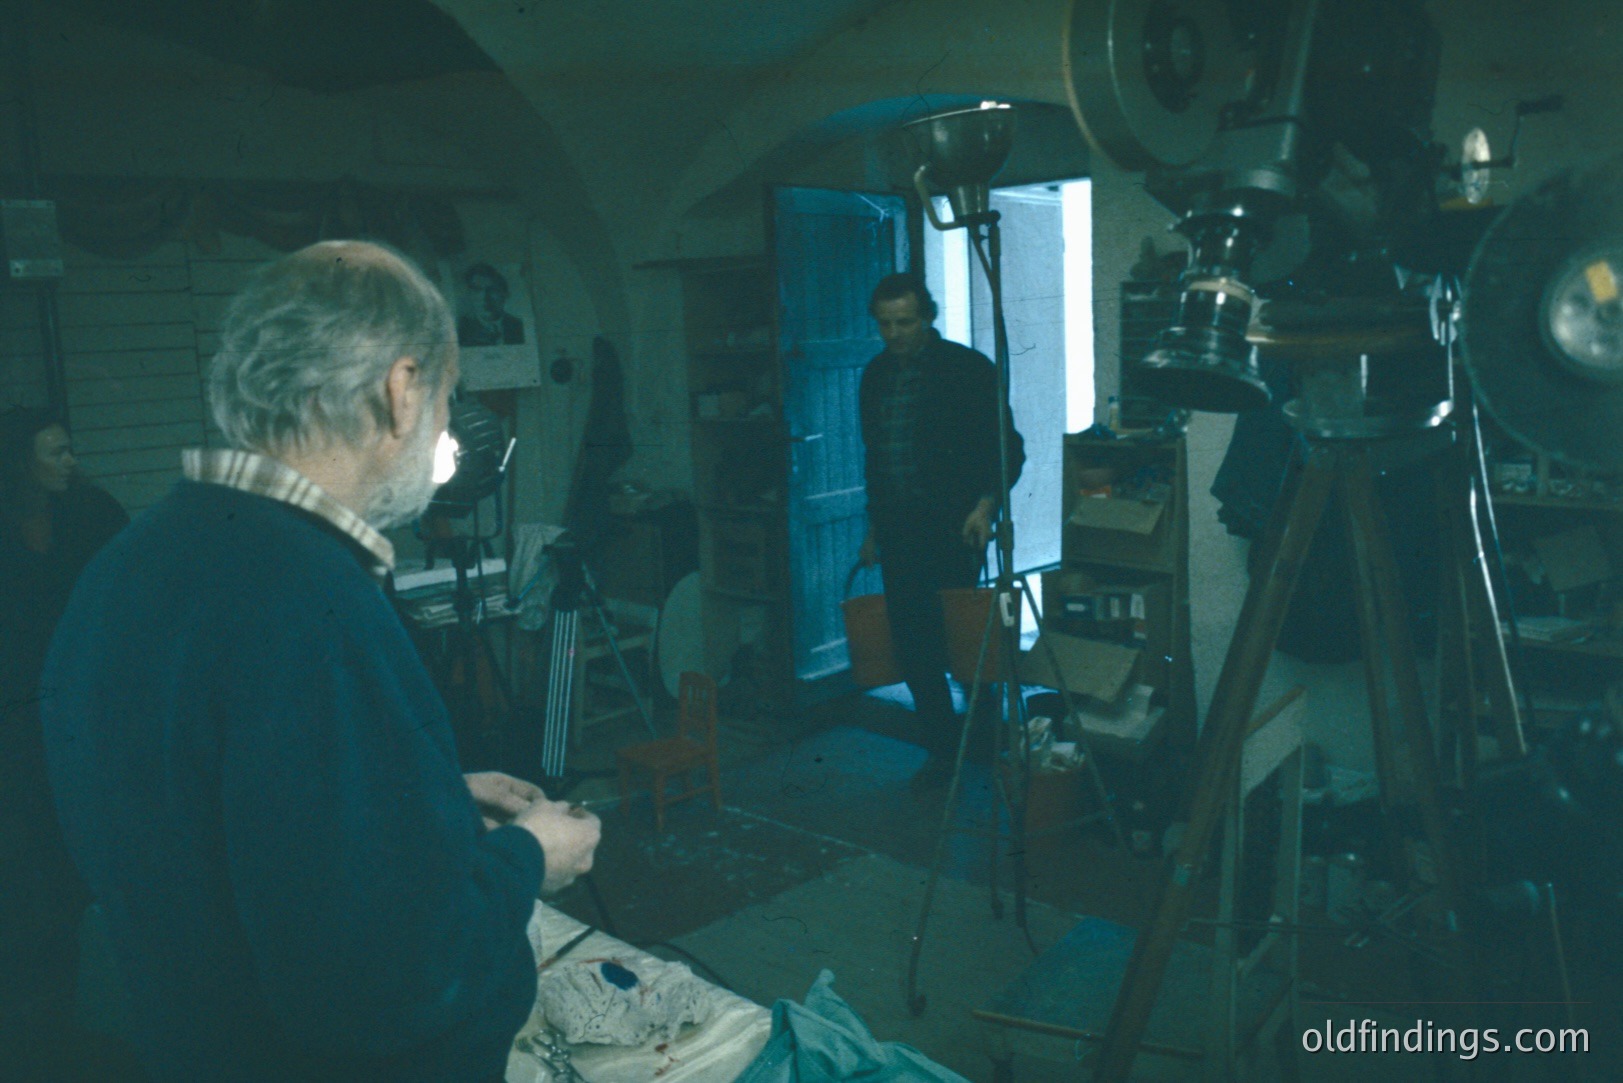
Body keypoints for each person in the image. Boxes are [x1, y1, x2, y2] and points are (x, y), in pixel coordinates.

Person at [40, 240, 599, 1082]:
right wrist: (529, 855)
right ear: (402, 391)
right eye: (448, 399)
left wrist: (425, 798)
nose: (445, 429)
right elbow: (385, 985)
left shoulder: (135, 557)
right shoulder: (312, 600)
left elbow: (213, 805)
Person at [0, 406, 128, 1079]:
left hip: (84, 702)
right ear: (20, 460)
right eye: (56, 450)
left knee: (88, 839)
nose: (69, 460)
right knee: (38, 858)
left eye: (72, 448)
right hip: (18, 718)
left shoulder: (93, 513)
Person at [857, 273, 1024, 788]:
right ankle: (942, 752)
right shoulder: (875, 376)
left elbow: (1008, 448)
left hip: (955, 528)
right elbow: (877, 457)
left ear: (927, 316)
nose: (893, 333)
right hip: (898, 529)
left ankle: (988, 742)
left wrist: (986, 507)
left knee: (966, 641)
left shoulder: (966, 369)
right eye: (884, 323)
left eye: (904, 322)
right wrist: (873, 528)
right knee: (913, 644)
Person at [457, 262, 525, 346]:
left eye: (492, 290)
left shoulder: (519, 327)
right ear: (469, 295)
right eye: (477, 290)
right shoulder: (460, 329)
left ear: (505, 294)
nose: (485, 297)